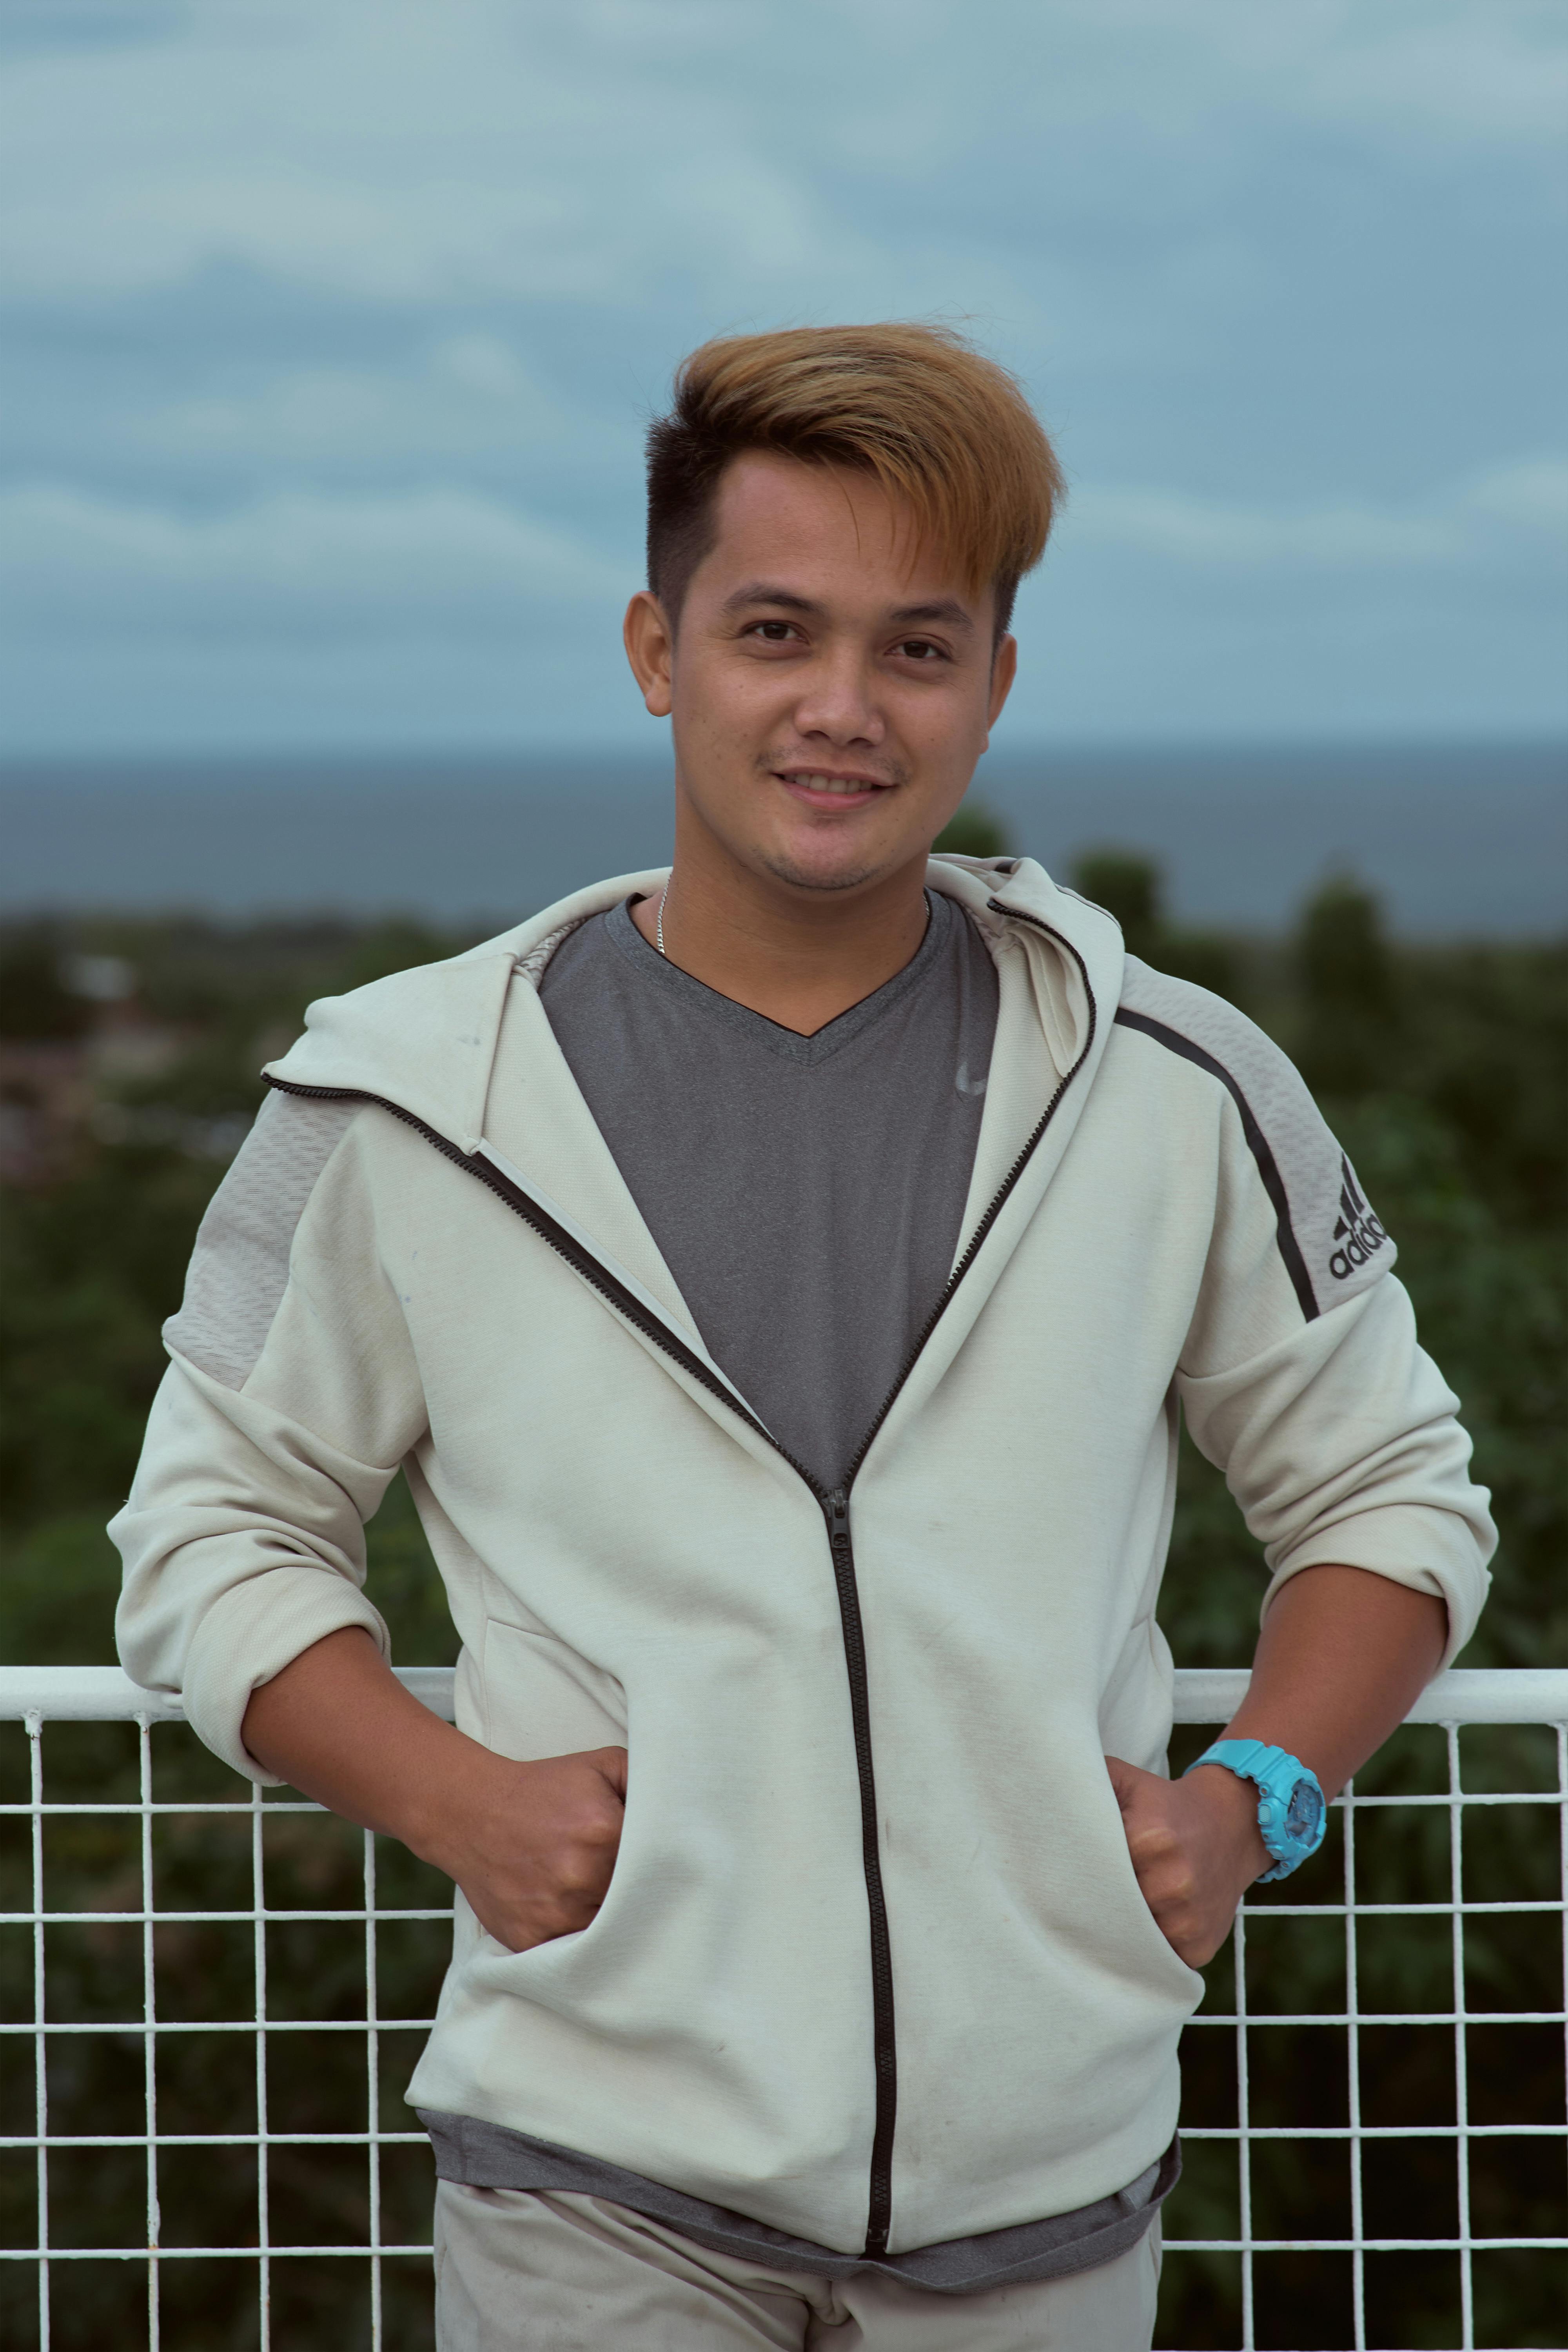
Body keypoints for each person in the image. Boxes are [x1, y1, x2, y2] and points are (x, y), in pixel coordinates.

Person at [112, 324, 1495, 2350]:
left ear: (994, 684)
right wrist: (449, 1797)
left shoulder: (1179, 1084)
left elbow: (1388, 1492)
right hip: (588, 2189)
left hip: (1050, 2196)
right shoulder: (401, 1100)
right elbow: (209, 1530)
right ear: (657, 651)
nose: (844, 708)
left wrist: (1258, 1796)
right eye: (775, 632)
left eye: (917, 649)